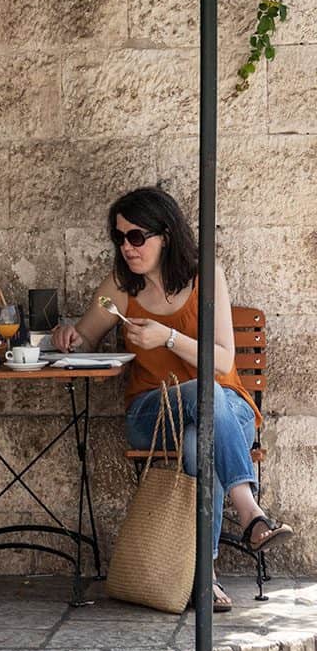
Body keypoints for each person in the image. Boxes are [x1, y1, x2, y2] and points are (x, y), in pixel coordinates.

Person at [49, 185, 293, 613]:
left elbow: (221, 361)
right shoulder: (122, 286)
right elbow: (86, 334)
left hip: (225, 404)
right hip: (152, 410)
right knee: (206, 400)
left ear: (166, 235)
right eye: (120, 237)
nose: (127, 247)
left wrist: (170, 338)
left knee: (203, 432)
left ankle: (205, 575)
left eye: (137, 237)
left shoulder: (207, 276)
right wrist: (69, 334)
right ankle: (251, 512)